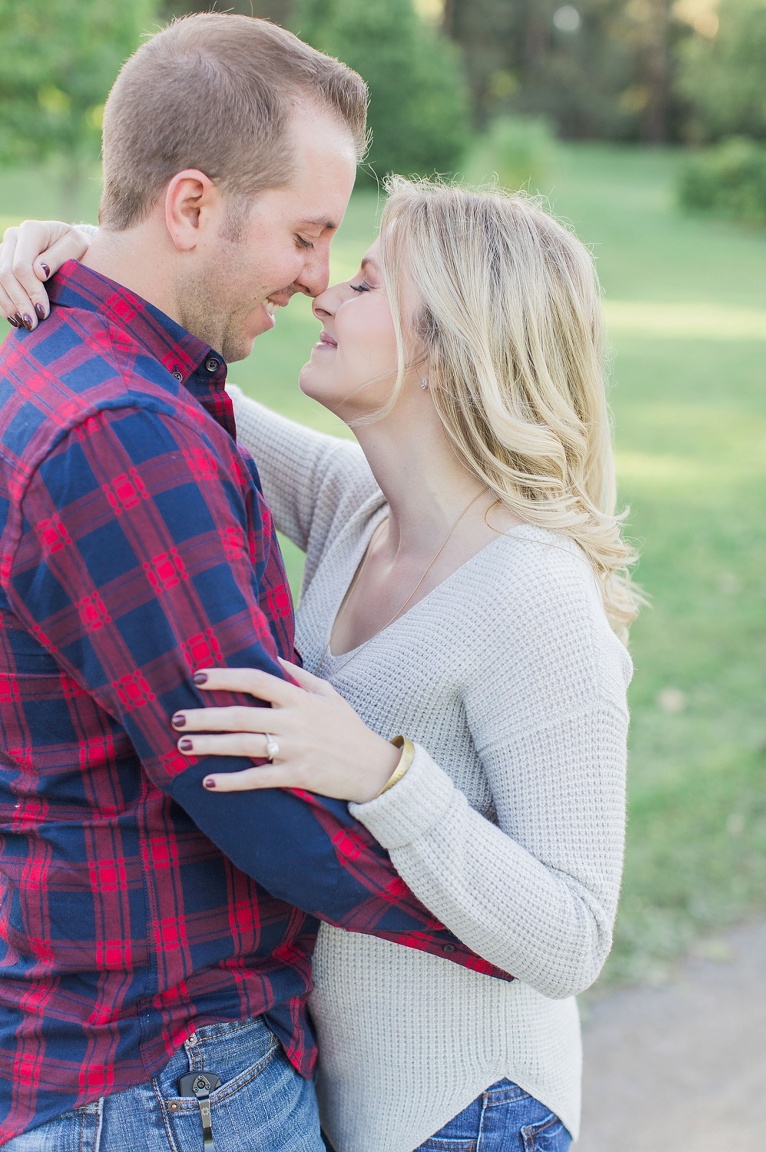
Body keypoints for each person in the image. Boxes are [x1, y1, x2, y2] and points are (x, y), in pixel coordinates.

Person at [6, 176, 638, 1148]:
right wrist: (68, 246)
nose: (323, 294)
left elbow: (574, 936)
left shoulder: (535, 594)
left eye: (370, 284)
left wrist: (385, 777)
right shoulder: (360, 504)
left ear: (451, 350)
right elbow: (166, 383)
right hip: (329, 1089)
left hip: (469, 1117)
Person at [0, 16, 508, 1151]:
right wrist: (510, 925)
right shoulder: (125, 431)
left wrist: (87, 239)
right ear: (190, 208)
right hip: (169, 1082)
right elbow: (259, 791)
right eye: (308, 233)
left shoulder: (84, 370)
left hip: (110, 1060)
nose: (320, 278)